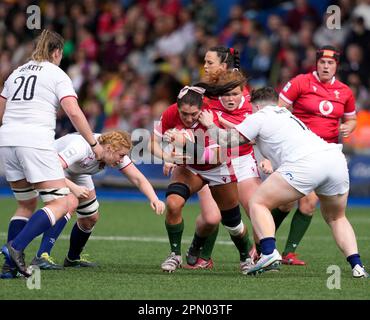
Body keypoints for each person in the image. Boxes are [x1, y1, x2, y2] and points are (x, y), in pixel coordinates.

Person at [198, 87, 368, 278]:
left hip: (305, 164)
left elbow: (228, 141)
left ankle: (269, 252)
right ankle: (357, 266)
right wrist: (224, 122)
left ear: (255, 106)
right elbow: (251, 137)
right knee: (337, 218)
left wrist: (209, 125)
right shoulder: (287, 115)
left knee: (258, 202)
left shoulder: (259, 116)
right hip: (334, 159)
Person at [0, 29, 103, 277]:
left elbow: (1, 108)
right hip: (34, 141)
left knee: (25, 204)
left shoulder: (16, 72)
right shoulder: (57, 74)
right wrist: (93, 143)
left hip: (7, 140)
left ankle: (8, 268)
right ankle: (15, 247)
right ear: (56, 52)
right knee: (65, 201)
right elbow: (74, 112)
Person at [0, 130, 163, 274]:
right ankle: (41, 256)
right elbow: (53, 167)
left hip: (78, 172)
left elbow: (138, 178)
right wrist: (74, 188)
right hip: (53, 168)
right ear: (109, 148)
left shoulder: (110, 152)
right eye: (120, 155)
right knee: (69, 203)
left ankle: (72, 258)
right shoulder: (81, 146)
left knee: (91, 218)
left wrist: (154, 198)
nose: (121, 160)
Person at [164, 46, 257, 270]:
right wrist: (169, 153)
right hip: (196, 162)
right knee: (201, 213)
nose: (204, 66)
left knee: (245, 215)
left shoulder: (238, 97)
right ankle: (186, 255)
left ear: (224, 67)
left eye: (210, 62)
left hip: (232, 159)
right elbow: (171, 122)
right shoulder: (197, 93)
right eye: (204, 62)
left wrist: (186, 142)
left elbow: (232, 142)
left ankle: (256, 254)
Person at [269, 45, 357, 265]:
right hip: (298, 150)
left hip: (326, 154)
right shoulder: (300, 82)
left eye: (330, 63)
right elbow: (279, 110)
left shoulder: (345, 91)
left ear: (337, 66)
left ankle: (289, 252)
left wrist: (349, 127)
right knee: (284, 204)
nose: (326, 66)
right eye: (322, 62)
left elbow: (351, 118)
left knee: (308, 204)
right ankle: (262, 245)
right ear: (316, 64)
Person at [184, 69, 261, 269]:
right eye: (225, 94)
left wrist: (268, 158)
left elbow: (263, 136)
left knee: (257, 210)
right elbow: (184, 116)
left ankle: (262, 254)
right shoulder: (207, 103)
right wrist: (171, 153)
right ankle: (199, 251)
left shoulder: (253, 107)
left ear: (243, 92)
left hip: (242, 161)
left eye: (234, 94)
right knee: (211, 218)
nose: (230, 98)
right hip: (213, 163)